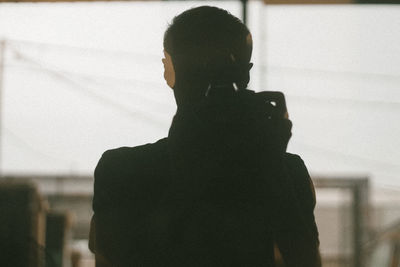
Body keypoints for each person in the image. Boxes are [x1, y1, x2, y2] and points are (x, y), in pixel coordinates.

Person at [89, 6, 321, 267]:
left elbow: (122, 256)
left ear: (169, 70)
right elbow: (304, 259)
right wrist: (273, 166)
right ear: (245, 73)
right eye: (204, 71)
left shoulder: (122, 170)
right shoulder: (285, 172)